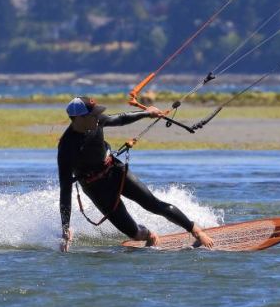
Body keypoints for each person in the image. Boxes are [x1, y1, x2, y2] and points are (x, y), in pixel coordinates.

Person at [57, 96, 214, 252]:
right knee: (135, 234)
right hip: (96, 189)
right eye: (93, 114)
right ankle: (149, 236)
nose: (97, 117)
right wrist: (66, 228)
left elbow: (120, 118)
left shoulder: (97, 121)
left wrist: (146, 113)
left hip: (115, 171)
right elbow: (65, 190)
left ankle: (195, 230)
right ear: (78, 118)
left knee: (153, 204)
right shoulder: (66, 148)